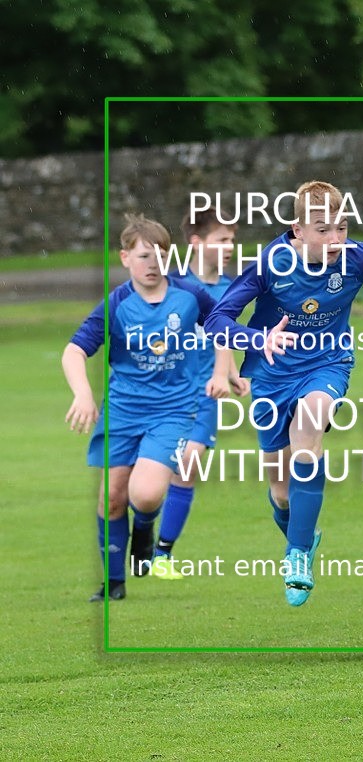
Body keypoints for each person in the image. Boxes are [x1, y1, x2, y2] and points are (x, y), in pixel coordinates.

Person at [205, 180, 363, 607]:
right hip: (271, 374)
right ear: (298, 230)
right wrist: (257, 339)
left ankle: (297, 556)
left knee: (310, 426)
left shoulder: (359, 256)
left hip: (327, 364)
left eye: (342, 227)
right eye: (323, 229)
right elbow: (217, 321)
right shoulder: (270, 264)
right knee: (281, 492)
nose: (335, 239)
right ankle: (304, 534)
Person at [62, 213, 230, 601]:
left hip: (173, 410)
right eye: (143, 257)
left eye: (160, 256)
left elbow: (222, 328)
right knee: (112, 497)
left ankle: (145, 528)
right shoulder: (117, 303)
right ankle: (114, 583)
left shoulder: (189, 295)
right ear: (125, 258)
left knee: (147, 494)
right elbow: (74, 350)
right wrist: (83, 394)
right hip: (122, 412)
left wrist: (222, 373)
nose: (152, 264)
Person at [151, 208, 250, 579]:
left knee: (188, 464)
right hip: (165, 390)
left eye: (231, 240)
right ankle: (142, 527)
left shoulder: (231, 288)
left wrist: (232, 374)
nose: (230, 246)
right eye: (222, 239)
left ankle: (162, 554)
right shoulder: (173, 285)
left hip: (206, 391)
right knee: (152, 474)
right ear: (196, 242)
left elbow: (223, 337)